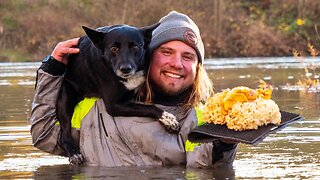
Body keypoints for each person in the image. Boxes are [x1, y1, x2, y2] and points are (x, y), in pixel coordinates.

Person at [30, 11, 238, 167]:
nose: (177, 63)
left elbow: (209, 169)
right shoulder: (93, 107)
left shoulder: (204, 118)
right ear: (149, 55)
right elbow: (44, 136)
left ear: (198, 66)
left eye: (188, 56)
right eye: (166, 52)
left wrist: (227, 142)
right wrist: (52, 69)